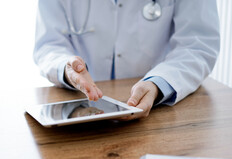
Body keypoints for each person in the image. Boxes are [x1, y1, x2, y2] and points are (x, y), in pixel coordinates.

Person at [34, 0, 220, 120]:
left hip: (160, 113)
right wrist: (66, 69)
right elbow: (49, 44)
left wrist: (158, 83)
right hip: (81, 105)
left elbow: (198, 44)